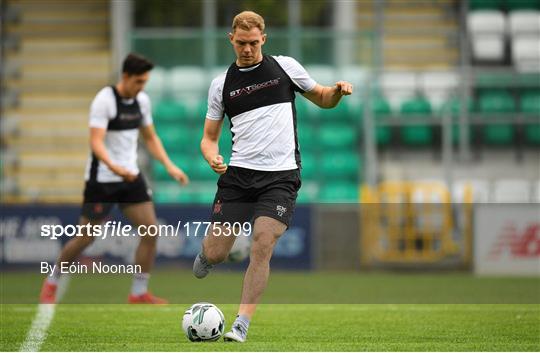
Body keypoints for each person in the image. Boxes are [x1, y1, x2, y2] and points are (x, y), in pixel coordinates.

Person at [193, 11, 353, 342]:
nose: (247, 49)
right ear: (231, 39)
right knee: (217, 252)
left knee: (262, 244)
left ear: (263, 39)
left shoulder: (285, 68)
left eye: (253, 43)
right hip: (238, 177)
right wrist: (212, 157)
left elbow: (323, 97)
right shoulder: (221, 84)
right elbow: (209, 137)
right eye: (241, 43)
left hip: (280, 177)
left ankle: (241, 323)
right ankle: (209, 255)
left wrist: (337, 91)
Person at [39, 53, 189, 304]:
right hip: (103, 179)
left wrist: (169, 165)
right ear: (126, 77)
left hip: (130, 177)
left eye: (145, 82)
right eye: (138, 81)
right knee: (86, 237)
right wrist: (114, 167)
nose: (142, 87)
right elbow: (96, 141)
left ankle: (138, 292)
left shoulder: (142, 101)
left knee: (151, 231)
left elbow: (150, 138)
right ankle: (53, 280)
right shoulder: (104, 100)